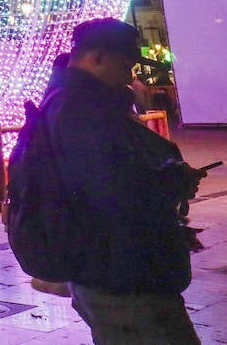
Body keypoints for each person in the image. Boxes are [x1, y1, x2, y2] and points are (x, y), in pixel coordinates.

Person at [25, 18, 205, 343]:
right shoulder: (79, 110)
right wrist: (172, 180)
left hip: (115, 271)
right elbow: (112, 193)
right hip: (123, 280)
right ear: (96, 58)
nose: (130, 73)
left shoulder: (77, 101)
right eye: (126, 64)